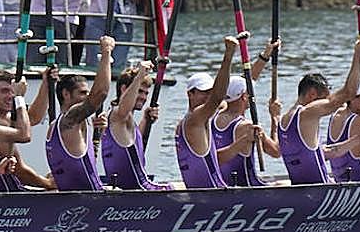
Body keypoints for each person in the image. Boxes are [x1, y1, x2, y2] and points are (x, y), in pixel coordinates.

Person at [277, 34, 360, 185]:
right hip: (321, 191)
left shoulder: (283, 120)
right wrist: (358, 55)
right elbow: (349, 93)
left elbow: (324, 153)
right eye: (324, 98)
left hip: (302, 191)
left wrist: (358, 139)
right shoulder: (307, 113)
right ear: (312, 94)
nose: (328, 106)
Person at [45, 35, 115, 190]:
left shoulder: (58, 125)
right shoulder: (69, 119)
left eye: (88, 93)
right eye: (83, 93)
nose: (87, 97)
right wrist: (106, 52)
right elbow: (100, 94)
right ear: (66, 94)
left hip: (83, 195)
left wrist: (100, 133)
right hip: (86, 197)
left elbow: (88, 164)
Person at [175, 36, 238, 189]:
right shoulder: (195, 119)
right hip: (212, 194)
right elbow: (217, 98)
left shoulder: (188, 121)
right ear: (190, 94)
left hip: (202, 193)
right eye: (204, 92)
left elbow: (227, 100)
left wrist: (264, 57)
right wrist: (228, 55)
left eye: (210, 92)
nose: (208, 97)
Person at [0, 68, 55, 191]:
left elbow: (33, 118)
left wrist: (46, 83)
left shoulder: (3, 118)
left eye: (12, 91)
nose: (10, 96)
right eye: (5, 91)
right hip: (3, 196)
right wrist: (49, 184)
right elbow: (19, 171)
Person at [101, 60, 168, 190]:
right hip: (137, 189)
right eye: (140, 91)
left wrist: (146, 120)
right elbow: (123, 109)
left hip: (135, 188)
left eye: (146, 93)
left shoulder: (126, 121)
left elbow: (134, 149)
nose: (144, 97)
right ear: (124, 89)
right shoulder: (118, 114)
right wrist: (140, 76)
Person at [212, 75, 282, 187]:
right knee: (281, 184)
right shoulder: (247, 127)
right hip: (247, 187)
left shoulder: (214, 116)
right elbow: (276, 152)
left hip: (221, 184)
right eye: (250, 93)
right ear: (244, 97)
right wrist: (275, 117)